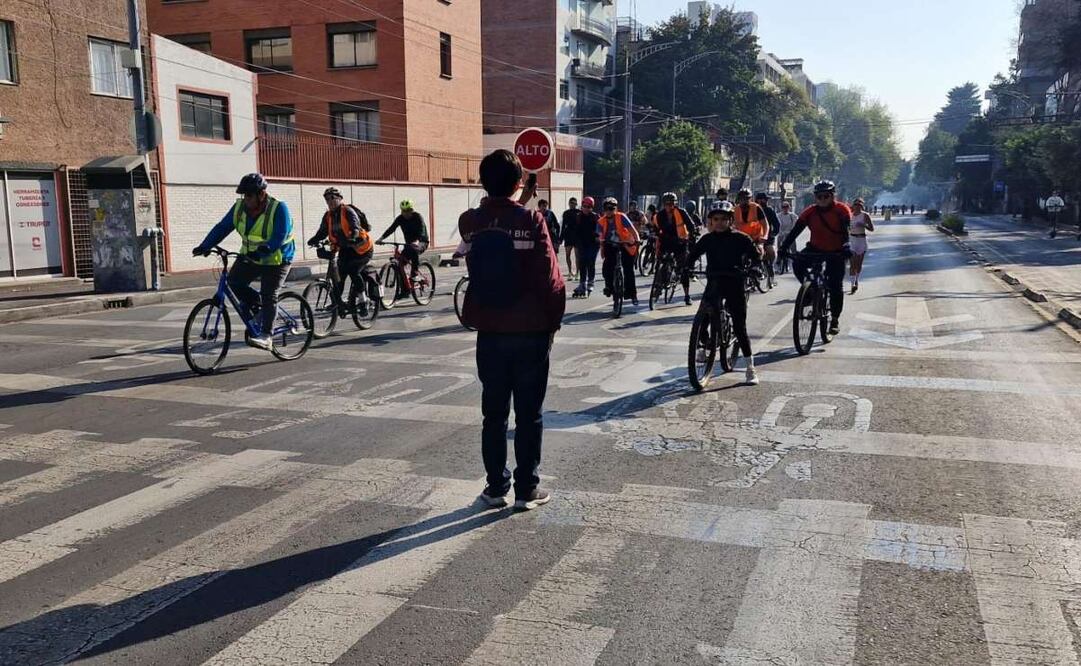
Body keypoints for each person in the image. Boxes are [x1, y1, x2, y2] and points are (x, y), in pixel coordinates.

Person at [457, 149, 566, 511]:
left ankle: (494, 488)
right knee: (529, 414)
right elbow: (551, 279)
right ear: (519, 183)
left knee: (493, 414)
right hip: (530, 330)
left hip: (489, 330)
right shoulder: (532, 220)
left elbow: (486, 234)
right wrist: (552, 324)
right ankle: (526, 490)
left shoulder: (469, 222)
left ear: (481, 181)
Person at [192, 173, 295, 351]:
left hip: (278, 259)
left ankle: (266, 336)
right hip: (251, 256)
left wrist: (267, 248)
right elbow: (222, 227)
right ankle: (261, 309)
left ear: (261, 195)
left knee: (269, 294)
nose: (245, 199)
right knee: (233, 283)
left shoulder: (279, 208)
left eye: (249, 195)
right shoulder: (239, 208)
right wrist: (205, 246)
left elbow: (280, 235)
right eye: (243, 195)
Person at [686, 202, 761, 385]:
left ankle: (751, 368)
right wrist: (685, 268)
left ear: (731, 221)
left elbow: (756, 258)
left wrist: (754, 269)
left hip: (735, 282)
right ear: (711, 221)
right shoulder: (707, 239)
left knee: (739, 326)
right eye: (716, 219)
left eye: (724, 219)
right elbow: (692, 255)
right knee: (701, 317)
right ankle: (702, 346)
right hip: (714, 282)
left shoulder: (741, 238)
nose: (719, 223)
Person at [779, 180, 852, 336]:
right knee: (797, 263)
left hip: (836, 251)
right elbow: (795, 231)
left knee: (835, 286)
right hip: (815, 248)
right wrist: (783, 248)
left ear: (833, 196)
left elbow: (846, 230)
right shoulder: (810, 211)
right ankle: (811, 292)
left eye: (826, 196)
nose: (823, 200)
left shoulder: (842, 210)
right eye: (819, 197)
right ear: (815, 198)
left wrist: (846, 246)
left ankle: (835, 320)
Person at [306, 187, 374, 312]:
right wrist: (314, 240)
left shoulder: (347, 211)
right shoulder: (328, 216)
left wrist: (352, 237)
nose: (330, 201)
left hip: (361, 248)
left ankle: (364, 301)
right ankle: (337, 302)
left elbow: (355, 228)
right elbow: (322, 232)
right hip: (345, 248)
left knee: (353, 271)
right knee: (339, 274)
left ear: (339, 199)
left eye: (333, 198)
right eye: (327, 199)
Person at [597, 197, 641, 305]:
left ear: (615, 209)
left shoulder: (621, 217)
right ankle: (609, 287)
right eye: (607, 208)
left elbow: (633, 231)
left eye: (612, 208)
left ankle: (632, 294)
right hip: (610, 245)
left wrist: (637, 240)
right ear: (604, 210)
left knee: (628, 269)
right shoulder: (601, 221)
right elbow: (598, 234)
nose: (609, 211)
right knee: (607, 267)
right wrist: (597, 239)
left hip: (625, 245)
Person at [653, 192, 694, 305]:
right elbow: (656, 228)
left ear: (675, 204)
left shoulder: (681, 212)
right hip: (666, 242)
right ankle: (658, 287)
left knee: (684, 269)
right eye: (666, 204)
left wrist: (691, 235)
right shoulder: (660, 215)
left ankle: (687, 296)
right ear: (663, 205)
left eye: (671, 204)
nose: (669, 207)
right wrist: (656, 234)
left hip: (680, 242)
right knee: (660, 263)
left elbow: (691, 225)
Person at [376, 200, 429, 280]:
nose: (405, 213)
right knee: (400, 263)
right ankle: (405, 290)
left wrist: (417, 241)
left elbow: (422, 230)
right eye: (403, 211)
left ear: (412, 210)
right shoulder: (400, 218)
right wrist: (381, 239)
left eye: (407, 211)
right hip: (408, 244)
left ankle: (415, 273)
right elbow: (391, 229)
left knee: (414, 249)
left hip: (421, 242)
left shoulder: (418, 217)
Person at [573, 197, 601, 297]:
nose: (586, 209)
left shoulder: (596, 217)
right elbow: (575, 231)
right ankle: (582, 283)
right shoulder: (578, 216)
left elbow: (599, 230)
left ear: (592, 207)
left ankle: (590, 282)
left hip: (593, 243)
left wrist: (598, 236)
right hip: (582, 243)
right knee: (582, 262)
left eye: (588, 207)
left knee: (590, 261)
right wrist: (576, 243)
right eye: (584, 206)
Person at [848, 198, 875, 293]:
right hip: (852, 240)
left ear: (862, 206)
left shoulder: (865, 215)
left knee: (858, 264)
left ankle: (856, 280)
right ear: (853, 206)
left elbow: (872, 229)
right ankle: (852, 284)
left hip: (862, 240)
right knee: (852, 263)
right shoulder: (849, 215)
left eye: (860, 205)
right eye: (856, 205)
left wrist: (864, 225)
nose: (857, 207)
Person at [754, 192, 781, 280]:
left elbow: (776, 223)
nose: (763, 201)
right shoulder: (753, 209)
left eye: (764, 199)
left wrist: (774, 233)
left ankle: (770, 267)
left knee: (771, 252)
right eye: (761, 199)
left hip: (767, 237)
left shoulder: (769, 210)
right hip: (754, 236)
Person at [776, 200, 799, 274]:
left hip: (790, 234)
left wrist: (792, 233)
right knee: (779, 243)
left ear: (789, 207)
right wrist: (779, 232)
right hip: (782, 233)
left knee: (793, 249)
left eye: (786, 207)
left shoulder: (793, 216)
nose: (785, 208)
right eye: (783, 207)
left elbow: (796, 225)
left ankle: (796, 262)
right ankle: (779, 259)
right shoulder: (778, 216)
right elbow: (777, 225)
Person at [561, 198, 579, 279]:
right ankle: (569, 272)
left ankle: (577, 273)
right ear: (569, 204)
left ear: (576, 204)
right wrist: (561, 238)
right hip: (568, 236)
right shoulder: (566, 213)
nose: (572, 204)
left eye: (574, 203)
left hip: (577, 236)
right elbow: (563, 225)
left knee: (577, 256)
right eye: (571, 203)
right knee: (567, 255)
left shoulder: (579, 212)